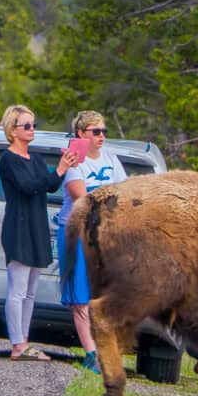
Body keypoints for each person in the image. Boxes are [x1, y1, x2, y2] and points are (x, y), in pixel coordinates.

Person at [0, 105, 79, 361]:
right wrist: (57, 171)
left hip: (36, 225)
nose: (32, 130)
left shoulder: (35, 158)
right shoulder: (8, 160)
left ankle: (24, 339)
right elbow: (29, 186)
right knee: (18, 288)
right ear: (13, 130)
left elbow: (49, 185)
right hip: (19, 227)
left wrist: (63, 167)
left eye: (34, 125)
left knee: (31, 290)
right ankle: (17, 343)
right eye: (27, 126)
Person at [56, 110, 127, 374]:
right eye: (95, 131)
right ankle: (90, 353)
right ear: (81, 134)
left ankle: (108, 349)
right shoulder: (74, 161)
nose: (101, 137)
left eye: (103, 132)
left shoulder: (111, 159)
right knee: (80, 296)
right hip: (77, 232)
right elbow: (80, 197)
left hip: (106, 235)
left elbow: (125, 192)